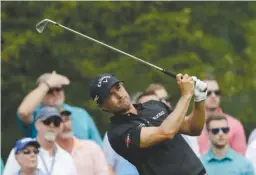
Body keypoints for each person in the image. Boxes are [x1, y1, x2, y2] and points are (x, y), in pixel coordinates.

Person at [89, 73, 207, 175]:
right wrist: (186, 95)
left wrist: (199, 99)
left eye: (118, 87)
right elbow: (165, 132)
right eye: (110, 95)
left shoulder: (154, 105)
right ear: (102, 105)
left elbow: (193, 128)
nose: (119, 95)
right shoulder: (117, 133)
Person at [17, 71, 102, 146]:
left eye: (58, 89)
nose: (55, 93)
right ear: (41, 94)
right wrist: (47, 84)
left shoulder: (81, 114)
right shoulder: (35, 114)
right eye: (49, 91)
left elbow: (100, 149)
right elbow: (23, 112)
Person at [4, 107, 77, 175]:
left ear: (60, 127)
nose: (52, 126)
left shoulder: (66, 158)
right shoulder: (22, 149)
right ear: (37, 125)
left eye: (56, 122)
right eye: (47, 122)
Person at [143, 85, 200, 157]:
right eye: (160, 101)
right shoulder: (147, 133)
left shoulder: (185, 124)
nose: (165, 103)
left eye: (167, 99)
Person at [198, 79, 246, 155]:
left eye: (217, 93)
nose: (213, 96)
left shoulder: (235, 125)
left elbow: (240, 161)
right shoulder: (189, 125)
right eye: (208, 93)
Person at [56, 108, 109, 175]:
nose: (65, 125)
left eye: (67, 119)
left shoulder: (91, 147)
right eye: (58, 122)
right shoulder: (48, 154)